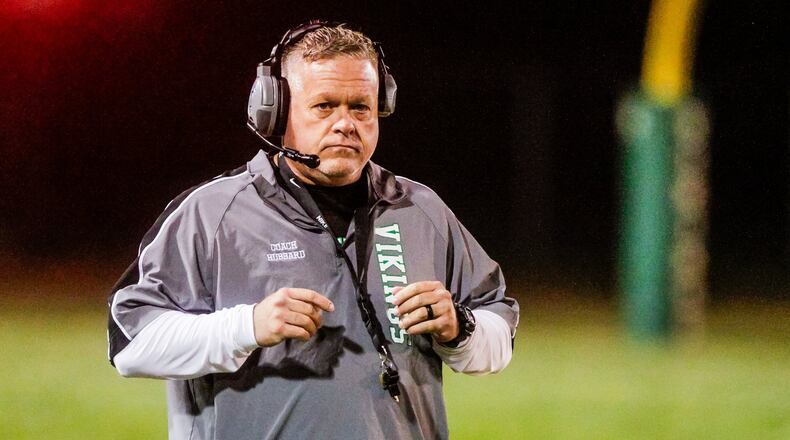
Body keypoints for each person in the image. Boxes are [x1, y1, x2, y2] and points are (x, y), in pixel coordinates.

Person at [107, 20, 519, 440]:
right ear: (275, 111)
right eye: (324, 106)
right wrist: (245, 327)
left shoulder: (420, 210)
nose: (346, 123)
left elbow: (498, 334)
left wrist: (459, 327)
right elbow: (129, 345)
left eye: (361, 106)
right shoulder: (211, 214)